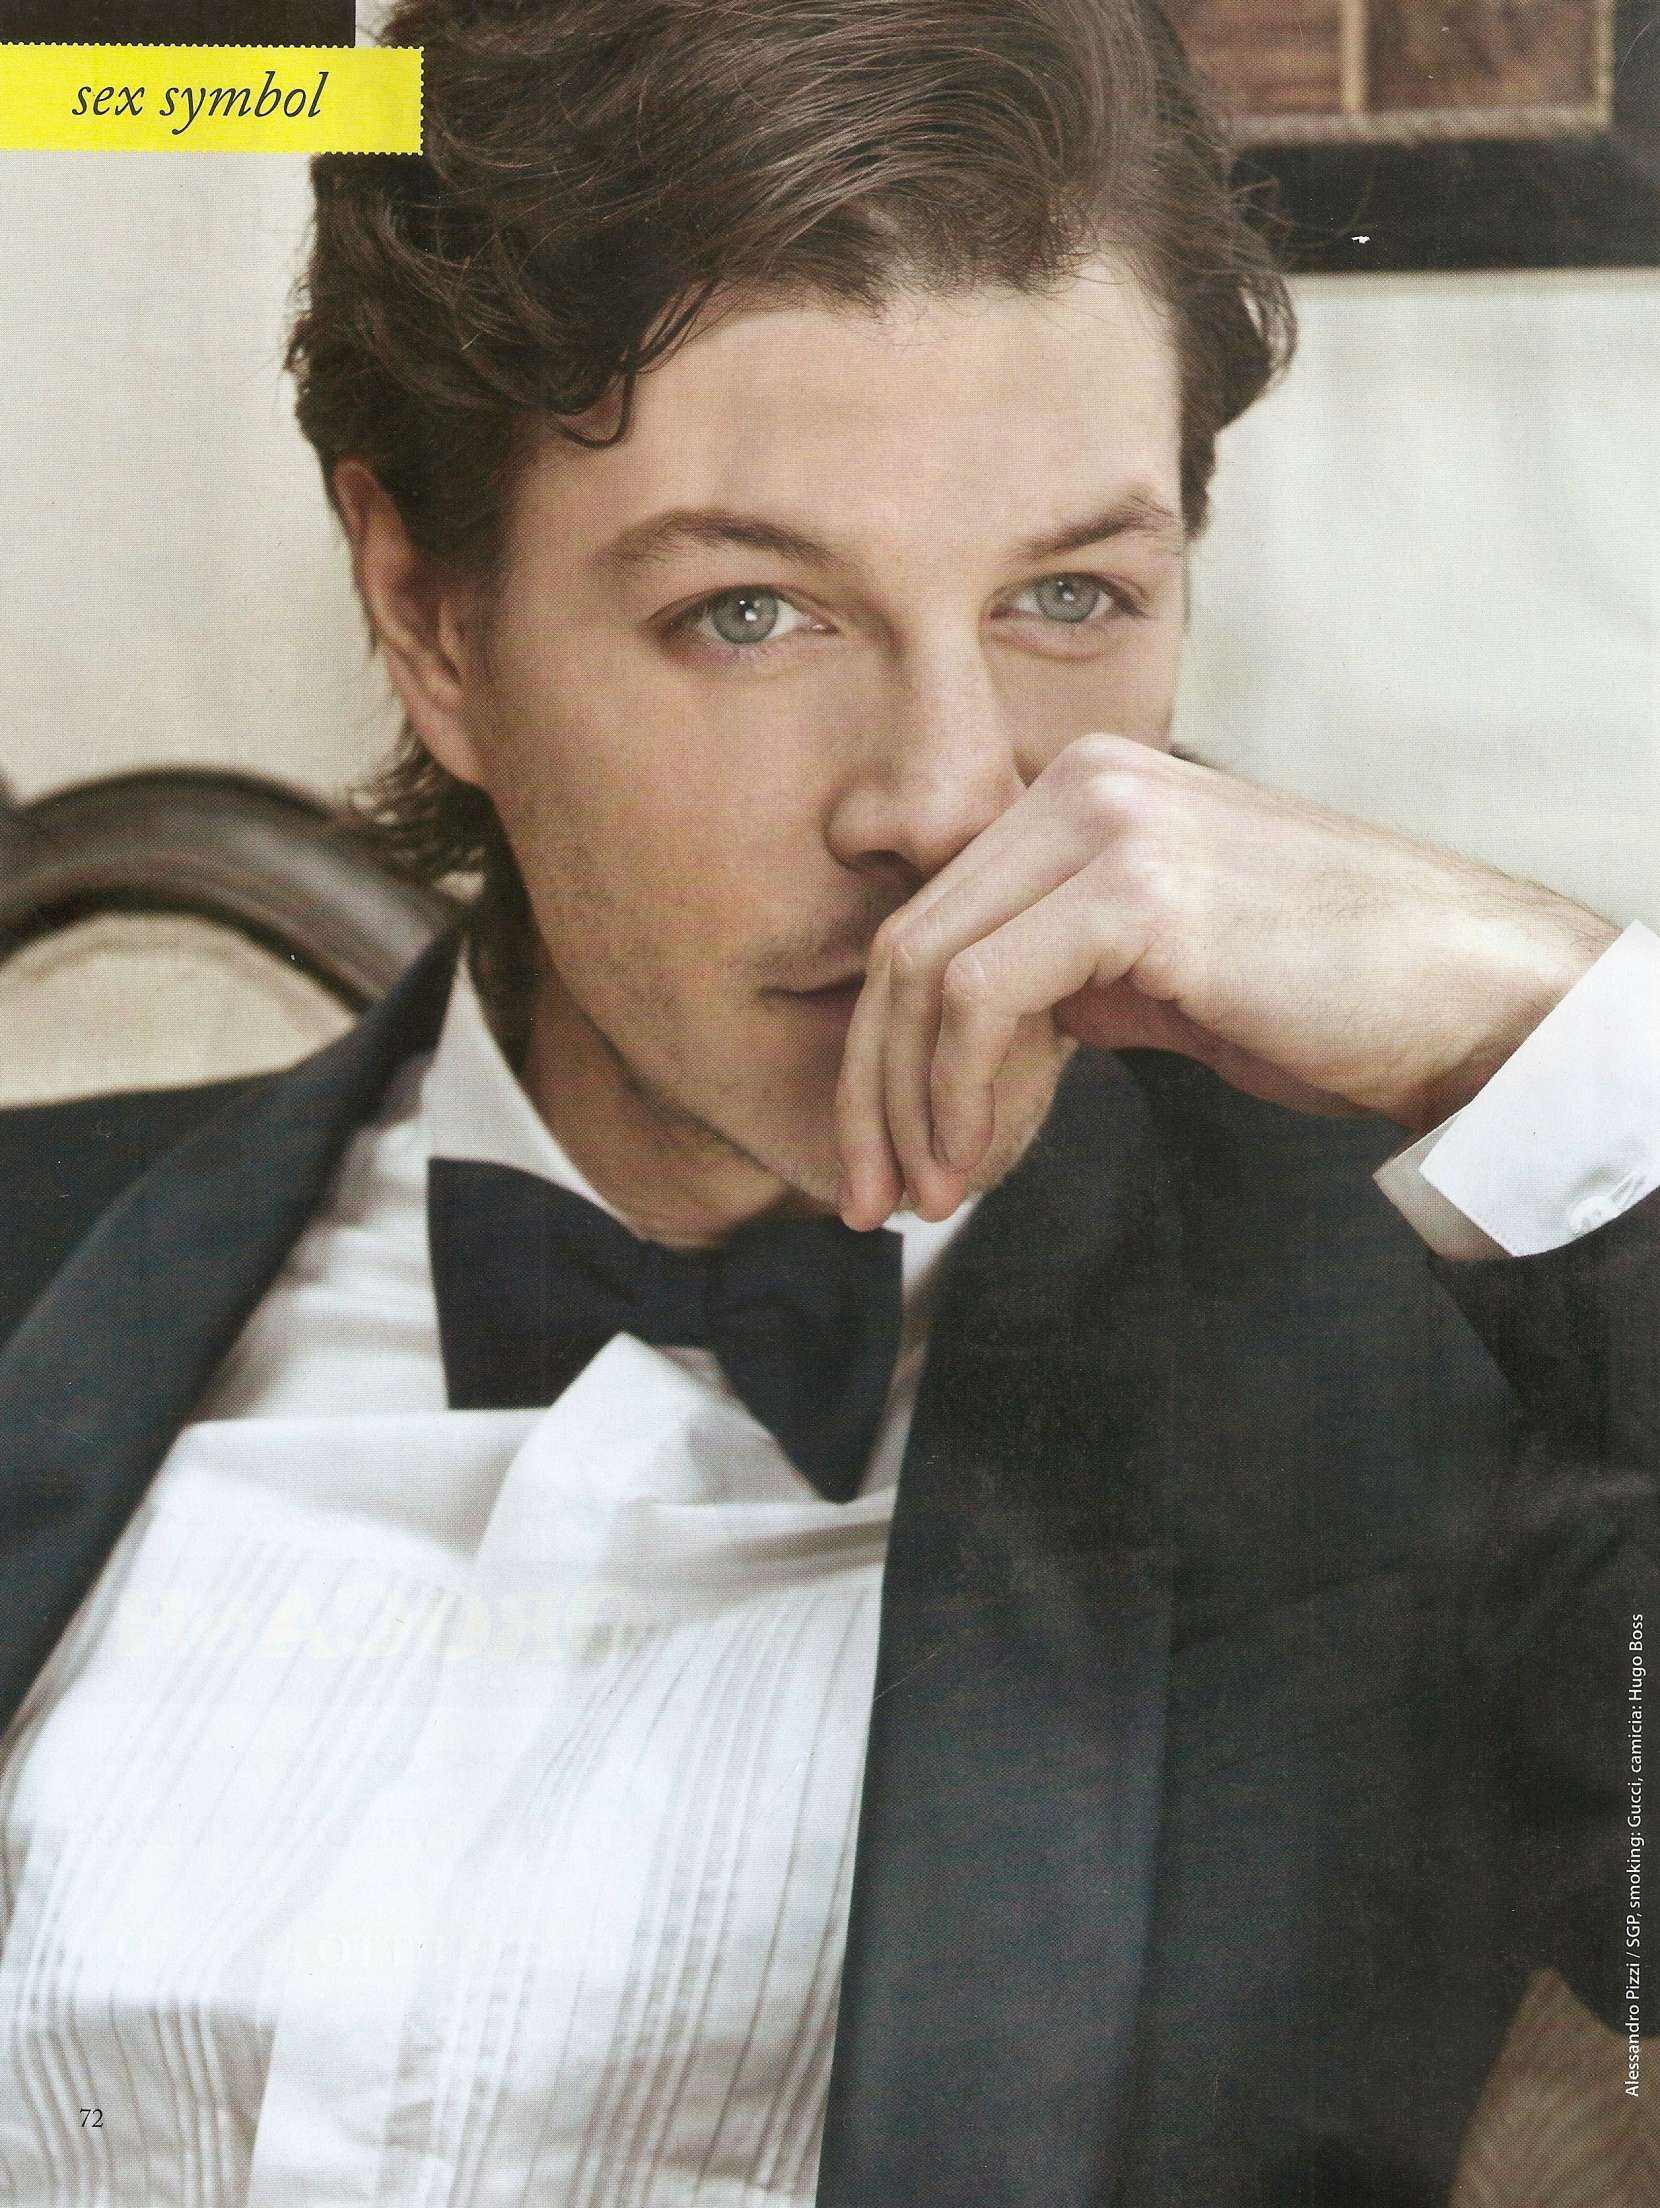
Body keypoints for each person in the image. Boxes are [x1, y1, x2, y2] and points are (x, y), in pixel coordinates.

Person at [0, 1, 1655, 2201]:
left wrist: (1559, 1025)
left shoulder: (1450, 1360)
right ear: (429, 617)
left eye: (1068, 594)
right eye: (751, 611)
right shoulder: (51, 1261)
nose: (945, 800)